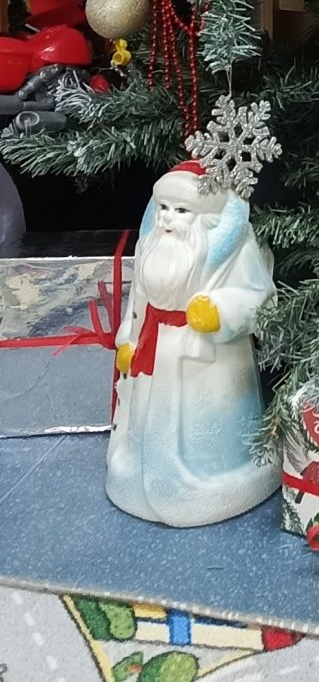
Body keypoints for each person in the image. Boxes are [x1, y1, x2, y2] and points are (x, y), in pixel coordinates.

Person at [107, 158, 278, 525]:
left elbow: (258, 297)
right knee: (147, 421)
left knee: (207, 430)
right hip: (152, 353)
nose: (168, 218)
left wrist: (220, 312)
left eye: (182, 210)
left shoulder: (234, 248)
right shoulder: (152, 247)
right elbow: (138, 301)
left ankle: (214, 483)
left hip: (210, 360)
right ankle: (139, 477)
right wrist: (128, 340)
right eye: (164, 208)